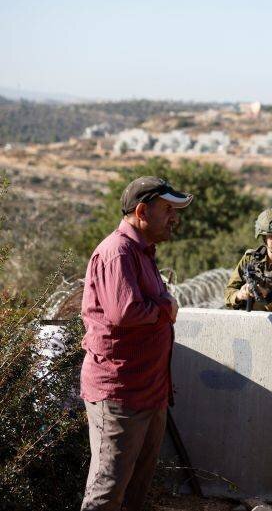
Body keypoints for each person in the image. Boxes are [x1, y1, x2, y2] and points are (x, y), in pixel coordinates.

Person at [79, 176, 193, 511]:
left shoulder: (140, 251)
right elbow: (125, 312)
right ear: (143, 211)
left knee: (134, 491)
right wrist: (166, 308)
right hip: (120, 394)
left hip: (147, 390)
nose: (176, 218)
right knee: (107, 489)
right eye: (169, 210)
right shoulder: (119, 252)